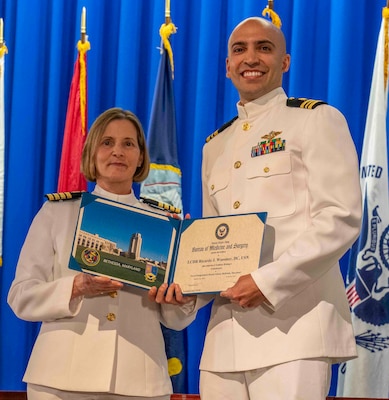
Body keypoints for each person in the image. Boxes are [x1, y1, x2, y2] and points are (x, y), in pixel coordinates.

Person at [198, 16, 362, 400]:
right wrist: (187, 289)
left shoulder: (316, 119)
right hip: (224, 337)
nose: (250, 58)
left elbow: (341, 217)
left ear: (284, 61)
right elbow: (211, 239)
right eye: (239, 50)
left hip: (296, 328)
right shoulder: (214, 146)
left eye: (264, 48)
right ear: (227, 66)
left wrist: (266, 282)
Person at [7, 107, 196, 400]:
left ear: (141, 157)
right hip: (60, 379)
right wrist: (75, 287)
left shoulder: (165, 225)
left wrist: (181, 297)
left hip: (139, 380)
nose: (117, 152)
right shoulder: (58, 212)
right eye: (107, 142)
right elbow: (20, 295)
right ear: (92, 152)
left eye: (128, 144)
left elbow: (175, 319)